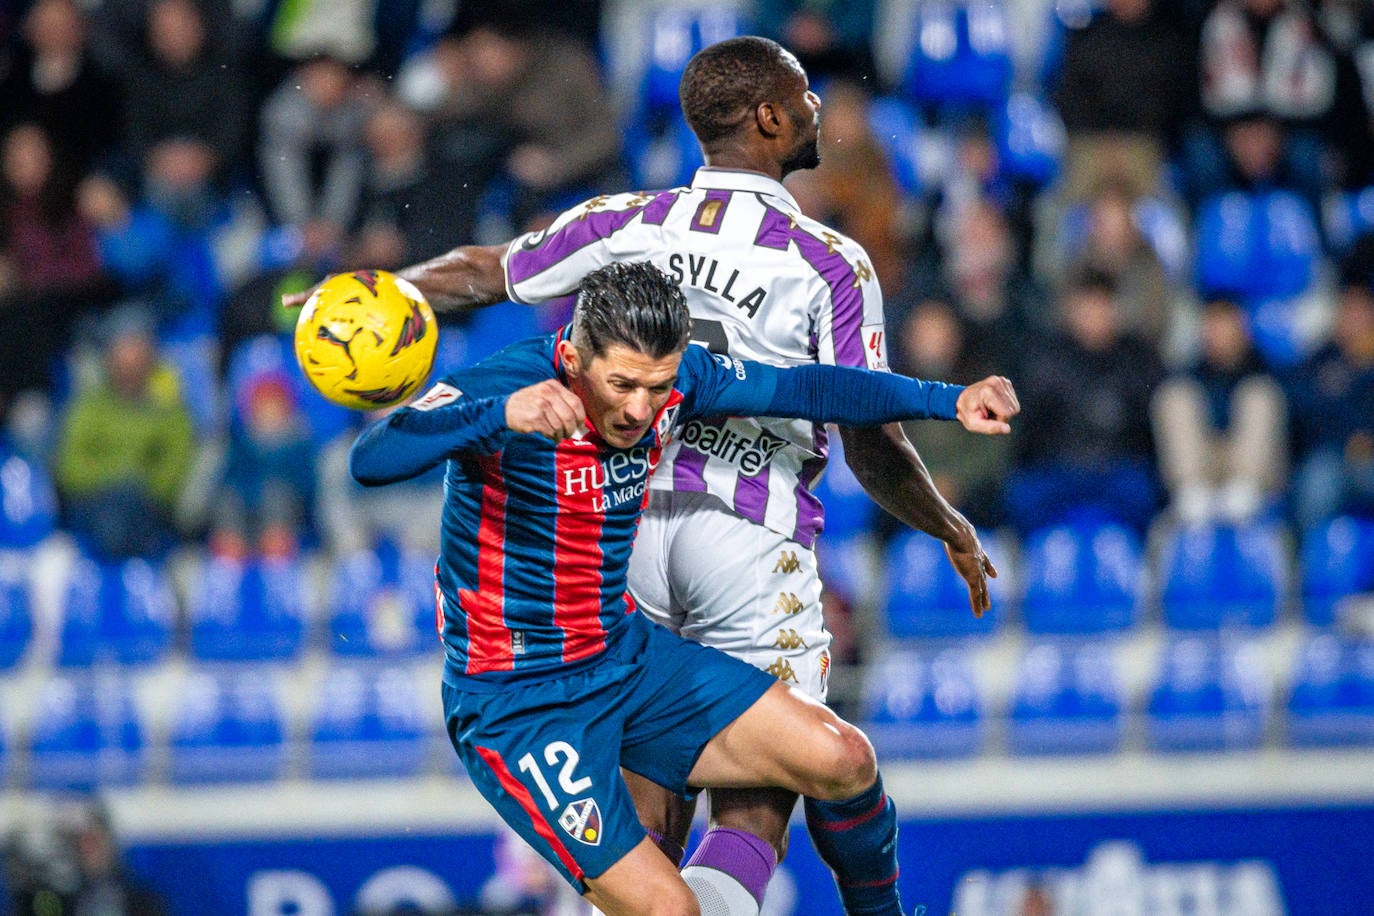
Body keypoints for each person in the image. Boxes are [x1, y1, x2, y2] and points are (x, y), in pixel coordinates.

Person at [289, 36, 1018, 915]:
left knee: (789, 779)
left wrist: (376, 291)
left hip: (625, 594)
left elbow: (491, 270)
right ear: (770, 117)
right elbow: (859, 427)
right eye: (804, 95)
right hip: (649, 602)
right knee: (750, 808)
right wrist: (943, 518)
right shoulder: (823, 261)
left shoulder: (628, 226)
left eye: (657, 384)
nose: (638, 406)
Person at [349, 259, 1016, 916]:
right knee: (671, 911)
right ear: (574, 358)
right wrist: (497, 417)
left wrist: (944, 400)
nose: (640, 408)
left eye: (657, 386)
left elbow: (808, 389)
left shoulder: (677, 380)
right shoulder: (507, 386)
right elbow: (372, 458)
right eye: (623, 384)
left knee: (843, 757)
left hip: (624, 657)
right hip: (518, 701)